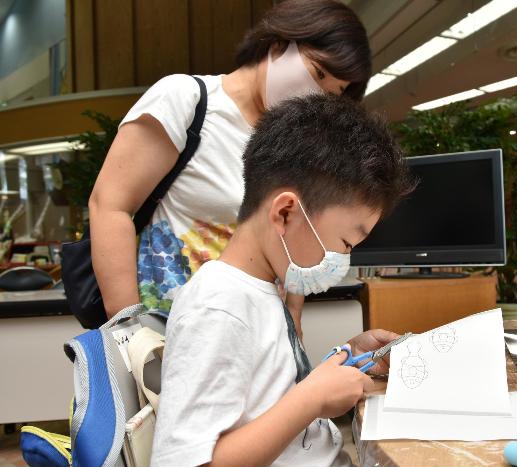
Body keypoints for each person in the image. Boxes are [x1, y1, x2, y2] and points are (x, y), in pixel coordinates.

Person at [151, 94, 414, 466]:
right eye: (344, 243)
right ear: (286, 212)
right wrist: (313, 400)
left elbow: (269, 393)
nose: (343, 259)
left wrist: (348, 357)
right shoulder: (218, 306)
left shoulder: (263, 287)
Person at [88, 0, 371, 331]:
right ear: (279, 45)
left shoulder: (299, 146)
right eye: (318, 72)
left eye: (331, 93)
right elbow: (110, 206)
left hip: (257, 342)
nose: (316, 94)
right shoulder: (188, 101)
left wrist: (293, 330)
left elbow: (291, 250)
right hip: (171, 338)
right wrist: (129, 331)